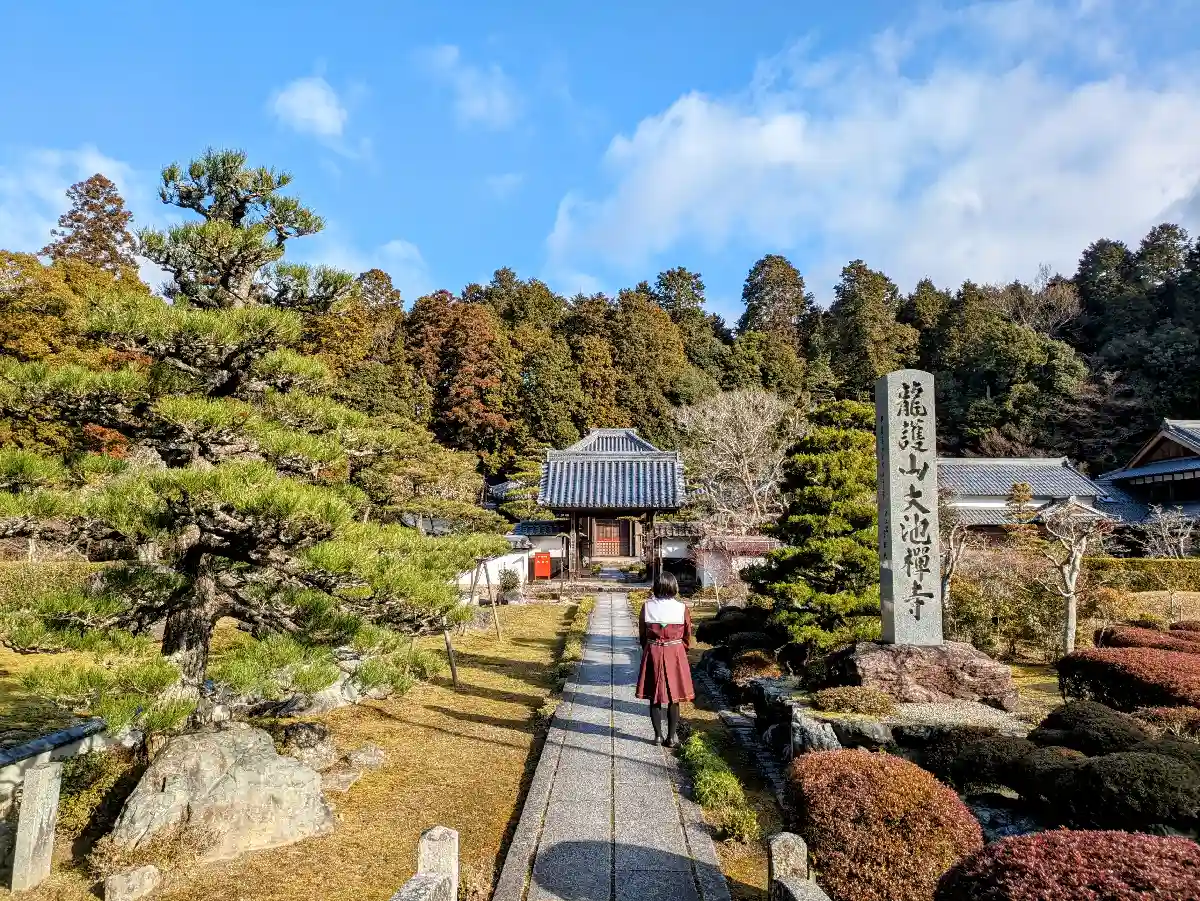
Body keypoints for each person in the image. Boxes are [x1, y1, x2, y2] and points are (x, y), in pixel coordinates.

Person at [635, 571, 695, 747]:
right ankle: (671, 738)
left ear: (656, 586)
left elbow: (642, 634)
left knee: (654, 695)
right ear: (674, 586)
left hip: (653, 650)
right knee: (674, 697)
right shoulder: (682, 608)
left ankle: (658, 736)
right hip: (675, 652)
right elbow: (687, 634)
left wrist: (649, 647)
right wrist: (680, 649)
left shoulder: (647, 607)